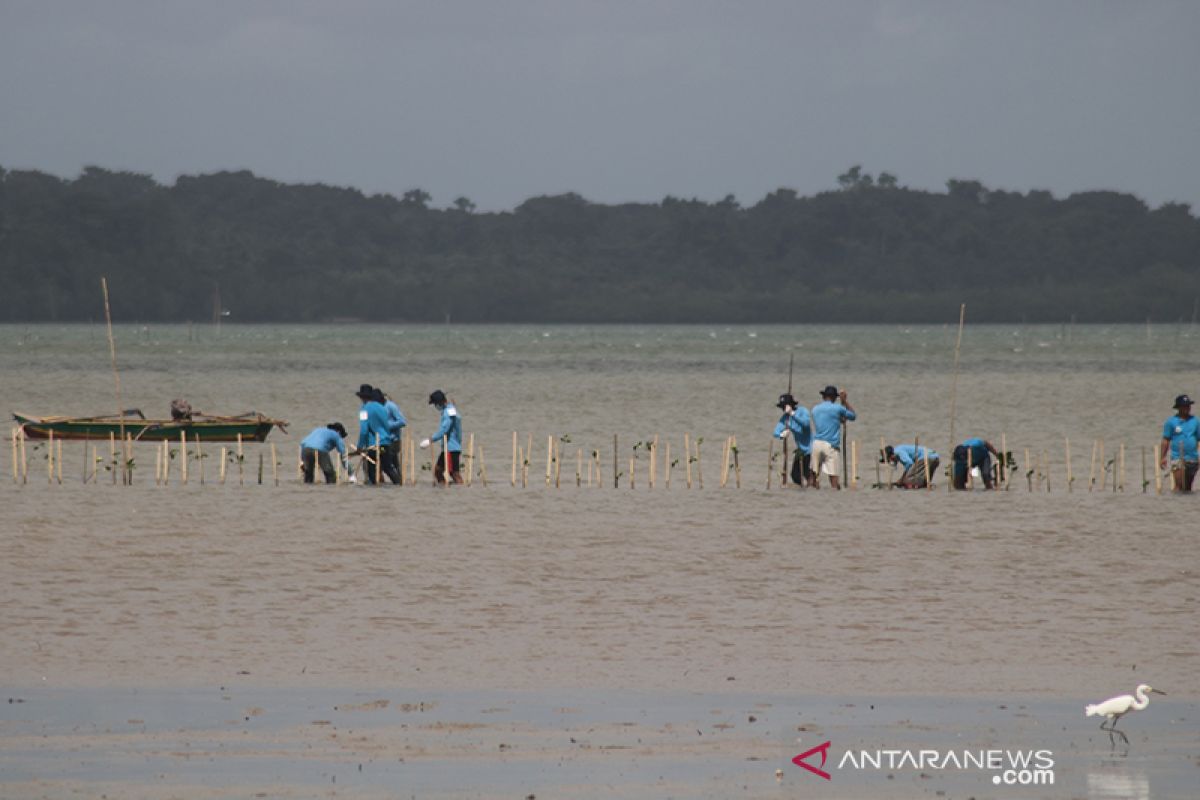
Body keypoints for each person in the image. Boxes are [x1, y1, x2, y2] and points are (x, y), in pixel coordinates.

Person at [810, 385, 856, 489]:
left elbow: (827, 420)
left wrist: (839, 419)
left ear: (824, 397)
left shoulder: (815, 409)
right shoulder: (837, 408)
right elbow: (853, 416)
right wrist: (845, 401)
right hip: (830, 446)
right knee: (834, 479)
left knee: (814, 475)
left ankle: (813, 496)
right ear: (834, 398)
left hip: (816, 444)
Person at [355, 383, 400, 484]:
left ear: (362, 397)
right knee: (388, 468)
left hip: (373, 445)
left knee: (371, 472)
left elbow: (364, 430)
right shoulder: (382, 408)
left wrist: (360, 446)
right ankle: (399, 486)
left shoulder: (363, 410)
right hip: (385, 443)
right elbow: (386, 425)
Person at [420, 390, 463, 484]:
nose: (435, 406)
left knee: (450, 473)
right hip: (452, 447)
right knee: (443, 471)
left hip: (450, 448)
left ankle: (459, 489)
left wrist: (430, 440)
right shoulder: (451, 410)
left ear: (439, 402)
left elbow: (444, 430)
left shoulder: (448, 413)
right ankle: (446, 491)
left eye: (435, 404)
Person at [1160, 394, 1199, 492]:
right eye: (1184, 406)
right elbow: (1166, 440)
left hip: (1192, 458)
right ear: (1179, 408)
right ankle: (1173, 502)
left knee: (1187, 488)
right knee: (1179, 484)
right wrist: (1162, 457)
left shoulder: (1195, 421)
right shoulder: (1171, 422)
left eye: (1188, 406)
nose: (1187, 408)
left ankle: (1185, 505)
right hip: (1177, 458)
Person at [773, 393, 813, 486]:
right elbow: (776, 432)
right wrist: (782, 435)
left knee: (807, 473)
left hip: (811, 448)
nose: (783, 409)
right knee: (795, 475)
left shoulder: (803, 411)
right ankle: (803, 491)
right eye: (782, 407)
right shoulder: (785, 418)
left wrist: (792, 414)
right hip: (800, 450)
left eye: (784, 406)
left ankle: (812, 489)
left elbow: (806, 424)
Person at [373, 387, 407, 485]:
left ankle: (398, 482)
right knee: (386, 464)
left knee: (389, 464)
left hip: (393, 440)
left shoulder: (391, 406)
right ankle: (395, 483)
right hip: (383, 440)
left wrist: (387, 426)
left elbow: (402, 421)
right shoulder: (377, 408)